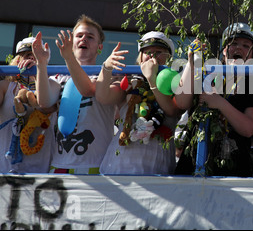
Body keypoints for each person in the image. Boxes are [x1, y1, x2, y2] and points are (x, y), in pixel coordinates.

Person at [174, 23, 253, 177]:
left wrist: (219, 103)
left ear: (252, 55)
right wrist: (191, 62)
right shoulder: (205, 74)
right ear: (224, 51)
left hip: (232, 170)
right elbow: (181, 103)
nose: (238, 48)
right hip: (192, 163)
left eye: (245, 45)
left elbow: (248, 128)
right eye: (233, 43)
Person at [32, 14, 116, 174]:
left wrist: (68, 58)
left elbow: (88, 89)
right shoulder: (58, 77)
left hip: (95, 166)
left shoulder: (104, 75)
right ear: (72, 42)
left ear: (100, 47)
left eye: (90, 37)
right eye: (79, 35)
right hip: (58, 165)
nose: (84, 39)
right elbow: (44, 101)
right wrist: (41, 63)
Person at [98, 31, 181, 175]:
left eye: (159, 52)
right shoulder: (130, 80)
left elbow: (171, 110)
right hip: (122, 160)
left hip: (157, 161)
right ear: (140, 57)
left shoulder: (176, 83)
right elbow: (103, 97)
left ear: (169, 58)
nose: (152, 56)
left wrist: (152, 80)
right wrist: (106, 68)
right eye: (147, 52)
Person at [0, 36, 55, 173]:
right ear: (17, 60)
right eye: (26, 55)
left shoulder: (53, 85)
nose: (31, 59)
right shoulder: (6, 87)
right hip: (4, 167)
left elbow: (47, 105)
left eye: (36, 55)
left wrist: (39, 72)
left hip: (39, 170)